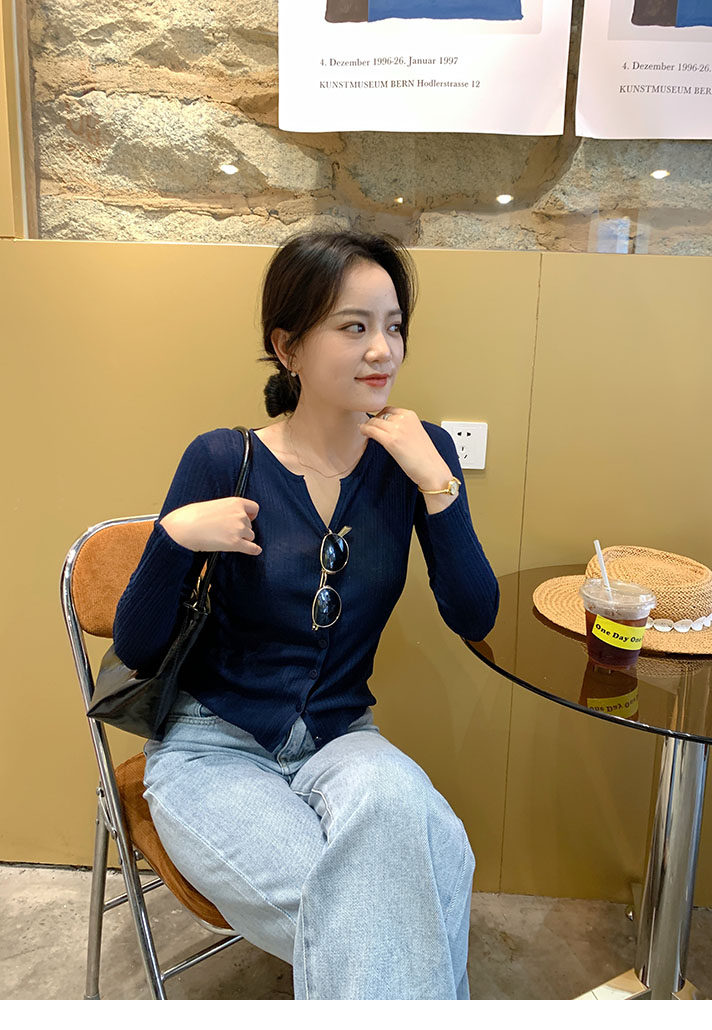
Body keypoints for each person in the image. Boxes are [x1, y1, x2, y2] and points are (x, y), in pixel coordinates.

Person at [113, 229, 500, 1000]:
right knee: (410, 890)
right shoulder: (223, 460)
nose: (382, 351)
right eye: (354, 327)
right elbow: (137, 644)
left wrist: (439, 488)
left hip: (344, 740)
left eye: (394, 327)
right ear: (287, 346)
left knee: (432, 855)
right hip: (213, 748)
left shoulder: (416, 457)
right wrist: (173, 539)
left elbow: (474, 614)